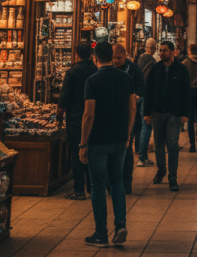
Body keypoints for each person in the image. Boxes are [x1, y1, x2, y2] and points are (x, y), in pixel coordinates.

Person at [79, 41, 135, 247]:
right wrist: (127, 133)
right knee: (117, 181)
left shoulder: (92, 81)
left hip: (98, 140)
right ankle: (120, 224)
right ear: (112, 57)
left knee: (98, 185)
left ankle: (101, 233)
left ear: (95, 58)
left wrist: (82, 143)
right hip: (120, 138)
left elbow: (88, 114)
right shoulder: (126, 77)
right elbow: (132, 108)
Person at [144, 40, 191, 191]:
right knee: (158, 144)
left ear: (172, 52)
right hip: (157, 112)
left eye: (164, 50)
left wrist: (185, 113)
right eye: (160, 50)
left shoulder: (181, 69)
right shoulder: (155, 68)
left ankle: (172, 176)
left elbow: (186, 92)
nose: (161, 53)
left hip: (173, 112)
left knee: (172, 144)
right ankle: (161, 170)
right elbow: (149, 90)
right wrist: (146, 112)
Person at [56, 42, 97, 200]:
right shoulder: (95, 70)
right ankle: (92, 187)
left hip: (74, 118)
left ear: (76, 54)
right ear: (91, 54)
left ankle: (79, 189)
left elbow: (64, 98)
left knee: (76, 153)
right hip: (93, 117)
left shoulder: (72, 72)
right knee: (90, 152)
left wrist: (59, 117)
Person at [112, 44, 145, 194]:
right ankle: (113, 181)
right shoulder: (109, 68)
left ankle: (127, 181)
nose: (115, 61)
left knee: (126, 147)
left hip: (128, 114)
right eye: (113, 58)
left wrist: (135, 98)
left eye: (118, 58)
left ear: (125, 55)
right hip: (112, 114)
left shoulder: (133, 68)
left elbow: (141, 87)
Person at [135, 39, 157, 167]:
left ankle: (138, 150)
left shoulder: (138, 59)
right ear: (154, 49)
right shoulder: (152, 61)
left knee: (137, 125)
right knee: (146, 126)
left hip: (136, 95)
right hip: (145, 95)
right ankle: (142, 157)